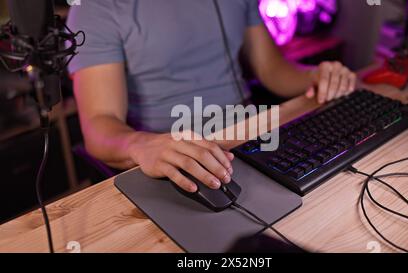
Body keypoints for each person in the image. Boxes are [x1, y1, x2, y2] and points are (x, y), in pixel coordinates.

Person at [67, 0, 357, 193]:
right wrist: (142, 145)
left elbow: (273, 71)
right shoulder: (95, 7)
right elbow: (99, 122)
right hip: (178, 160)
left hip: (253, 141)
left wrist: (317, 77)